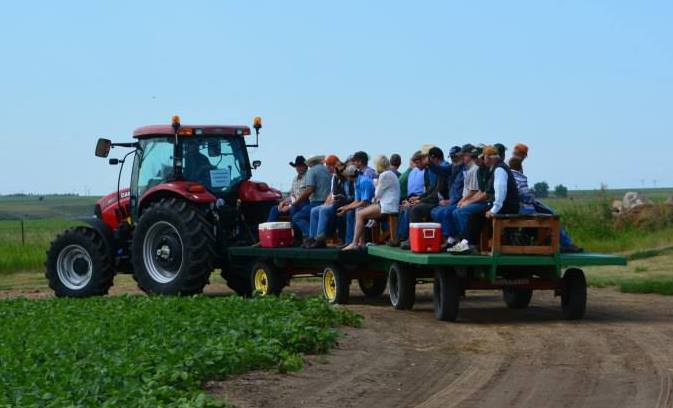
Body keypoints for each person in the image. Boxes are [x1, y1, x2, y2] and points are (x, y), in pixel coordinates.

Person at [343, 156, 400, 251]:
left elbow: (377, 194)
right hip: (387, 204)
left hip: (387, 206)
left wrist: (376, 184)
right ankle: (360, 243)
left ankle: (355, 243)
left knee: (359, 214)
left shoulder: (384, 175)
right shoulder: (389, 174)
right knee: (360, 212)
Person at [399, 147, 449, 249]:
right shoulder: (431, 169)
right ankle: (407, 237)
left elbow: (438, 191)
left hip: (442, 200)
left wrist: (420, 200)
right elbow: (432, 188)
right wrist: (420, 197)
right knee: (409, 207)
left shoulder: (442, 167)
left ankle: (414, 238)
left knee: (415, 209)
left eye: (418, 162)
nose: (417, 166)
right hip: (435, 198)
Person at [448, 145, 492, 253]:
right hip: (483, 201)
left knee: (461, 212)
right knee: (456, 212)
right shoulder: (480, 170)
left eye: (477, 157)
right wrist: (465, 201)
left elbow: (486, 194)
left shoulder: (488, 171)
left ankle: (470, 243)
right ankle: (464, 241)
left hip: (489, 203)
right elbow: (481, 191)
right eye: (474, 157)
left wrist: (468, 202)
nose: (475, 159)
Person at [306, 155, 350, 248]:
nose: (327, 168)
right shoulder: (334, 176)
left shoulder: (343, 176)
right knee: (314, 210)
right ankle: (312, 237)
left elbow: (344, 194)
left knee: (324, 210)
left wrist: (329, 203)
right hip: (334, 202)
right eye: (327, 165)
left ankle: (320, 238)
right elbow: (331, 193)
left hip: (342, 203)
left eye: (329, 166)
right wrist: (326, 202)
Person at [290, 155, 332, 244]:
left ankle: (311, 237)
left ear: (309, 163)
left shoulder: (311, 171)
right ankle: (313, 237)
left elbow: (309, 189)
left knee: (297, 217)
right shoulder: (327, 170)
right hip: (328, 202)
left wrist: (296, 203)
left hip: (316, 202)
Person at [430, 146, 464, 247]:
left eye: (455, 156)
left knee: (446, 212)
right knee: (435, 211)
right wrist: (429, 164)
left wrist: (455, 201)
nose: (453, 159)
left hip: (460, 201)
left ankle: (452, 238)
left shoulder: (465, 169)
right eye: (452, 157)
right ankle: (446, 238)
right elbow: (440, 170)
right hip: (453, 200)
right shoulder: (452, 167)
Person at [336, 165, 375, 245]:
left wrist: (348, 208)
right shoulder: (356, 182)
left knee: (357, 212)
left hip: (373, 204)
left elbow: (365, 202)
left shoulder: (364, 181)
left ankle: (356, 242)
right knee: (352, 211)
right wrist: (346, 207)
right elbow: (357, 201)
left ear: (349, 176)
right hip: (366, 204)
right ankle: (355, 242)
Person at [267, 155, 308, 222]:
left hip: (303, 203)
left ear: (305, 166)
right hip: (294, 203)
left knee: (293, 210)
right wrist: (283, 202)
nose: (299, 168)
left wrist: (290, 206)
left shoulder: (308, 177)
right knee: (274, 209)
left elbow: (305, 196)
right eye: (297, 166)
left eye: (301, 166)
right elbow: (292, 195)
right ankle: (269, 230)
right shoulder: (295, 179)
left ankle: (294, 231)